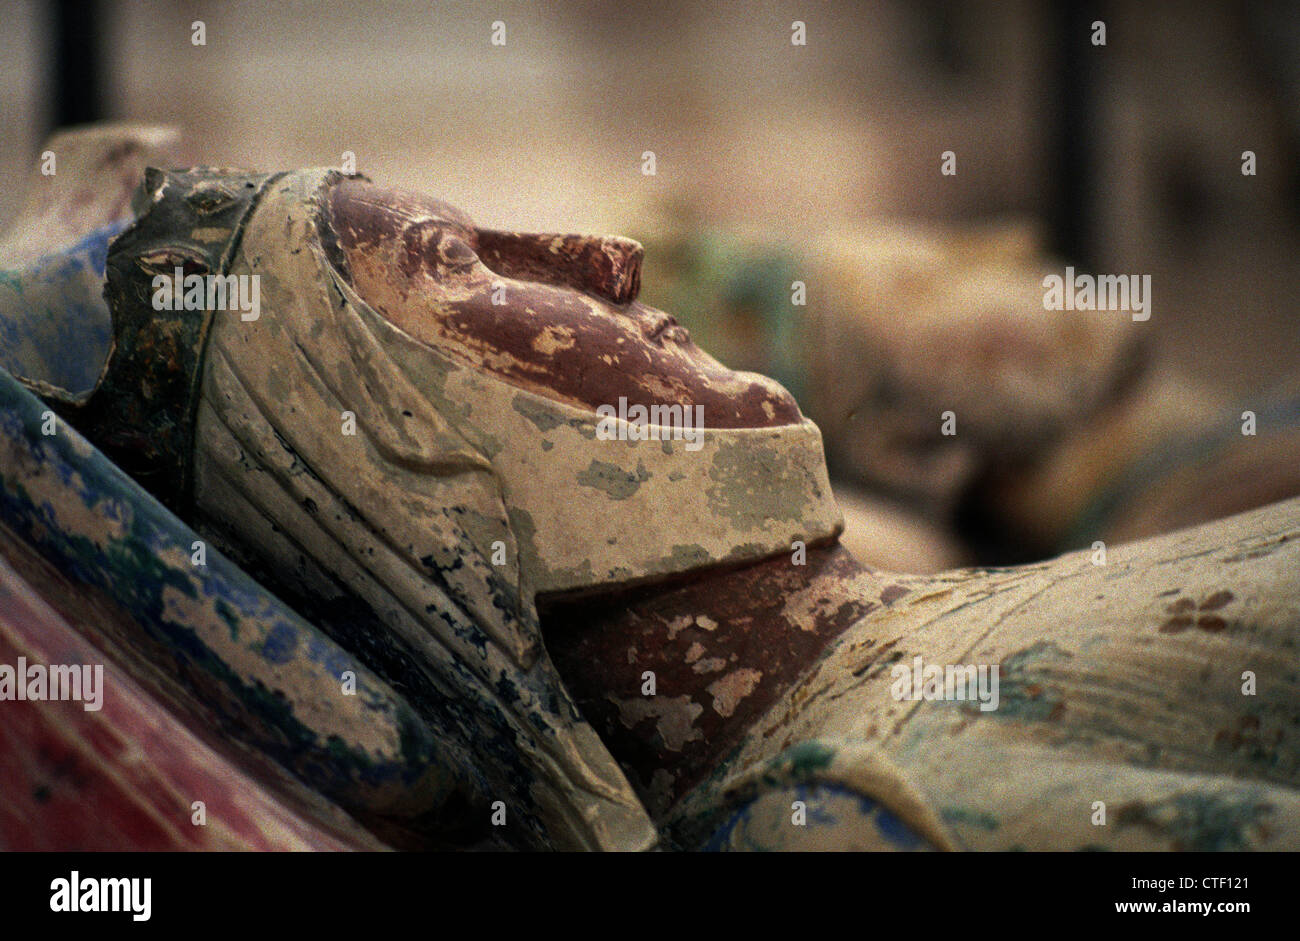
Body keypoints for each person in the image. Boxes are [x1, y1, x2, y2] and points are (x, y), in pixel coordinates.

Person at [6, 140, 1299, 850]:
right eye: (465, 269)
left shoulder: (892, 689)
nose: (598, 257)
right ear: (416, 487)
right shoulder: (850, 813)